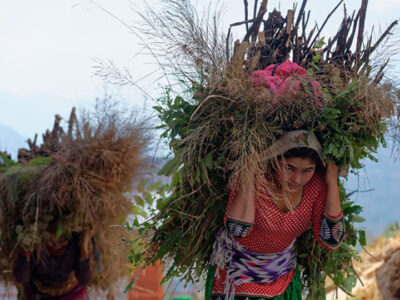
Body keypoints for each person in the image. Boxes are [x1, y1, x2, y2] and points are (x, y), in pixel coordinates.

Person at [207, 130, 345, 300]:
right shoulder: (256, 179)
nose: (297, 179)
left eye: (307, 171)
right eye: (289, 168)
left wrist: (332, 183)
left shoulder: (316, 186)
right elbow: (238, 230)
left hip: (281, 273)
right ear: (274, 161)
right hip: (236, 271)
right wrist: (249, 173)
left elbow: (331, 241)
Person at [12, 225, 94, 300]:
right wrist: (26, 251)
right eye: (51, 240)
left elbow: (85, 280)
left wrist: (84, 248)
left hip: (71, 294)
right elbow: (21, 277)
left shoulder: (75, 245)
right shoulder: (36, 247)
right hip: (39, 295)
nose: (57, 244)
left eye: (62, 240)